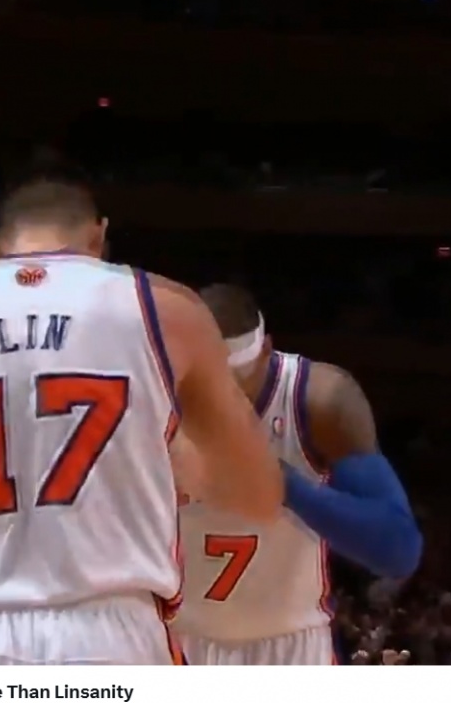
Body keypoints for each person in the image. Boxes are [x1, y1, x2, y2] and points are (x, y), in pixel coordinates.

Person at [0, 167, 283, 666]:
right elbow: (258, 493)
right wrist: (174, 459)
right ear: (99, 236)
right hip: (112, 627)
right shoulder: (167, 308)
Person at [173, 283, 422, 665]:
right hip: (180, 639)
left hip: (291, 647)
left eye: (235, 379)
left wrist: (285, 485)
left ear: (266, 352)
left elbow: (399, 551)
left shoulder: (319, 400)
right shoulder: (155, 392)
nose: (221, 397)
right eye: (206, 381)